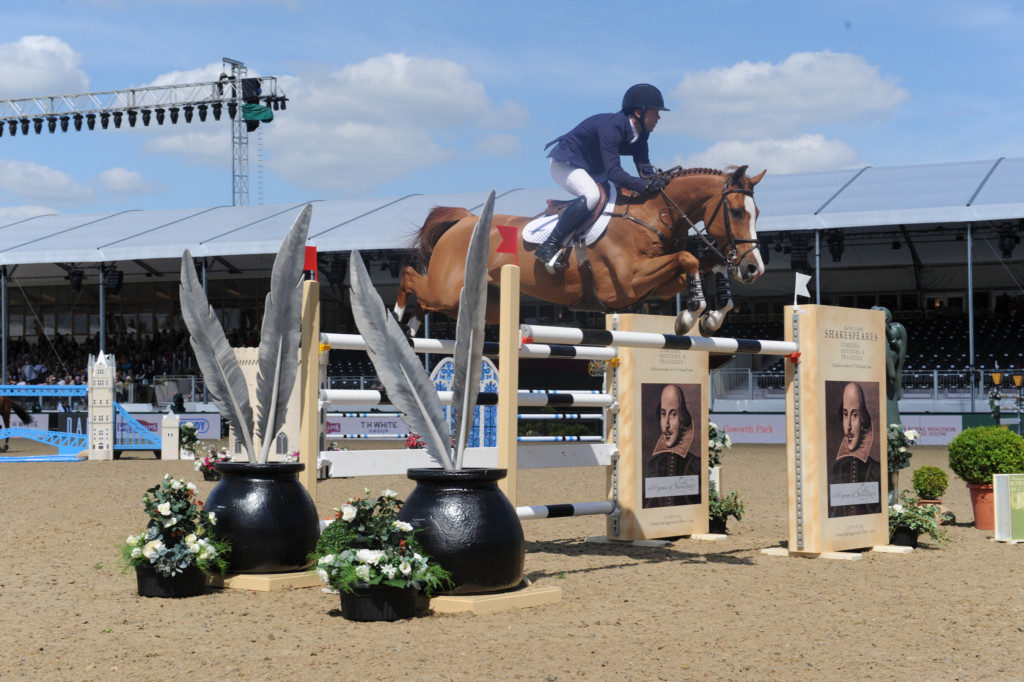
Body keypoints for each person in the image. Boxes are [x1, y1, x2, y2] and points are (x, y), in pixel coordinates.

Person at [536, 83, 671, 270]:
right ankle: (549, 246)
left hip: (592, 168)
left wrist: (655, 180)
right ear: (639, 113)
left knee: (618, 196)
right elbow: (614, 173)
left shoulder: (643, 134)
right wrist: (645, 187)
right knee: (592, 195)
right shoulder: (612, 127)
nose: (659, 117)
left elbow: (643, 165)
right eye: (655, 112)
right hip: (566, 163)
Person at [643, 384, 701, 508]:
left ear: (682, 419)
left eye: (673, 414)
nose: (667, 424)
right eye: (663, 414)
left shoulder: (695, 465)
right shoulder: (654, 465)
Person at [830, 382, 881, 517]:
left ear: (863, 420)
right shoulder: (837, 469)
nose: (848, 426)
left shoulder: (875, 469)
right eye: (845, 414)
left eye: (855, 415)